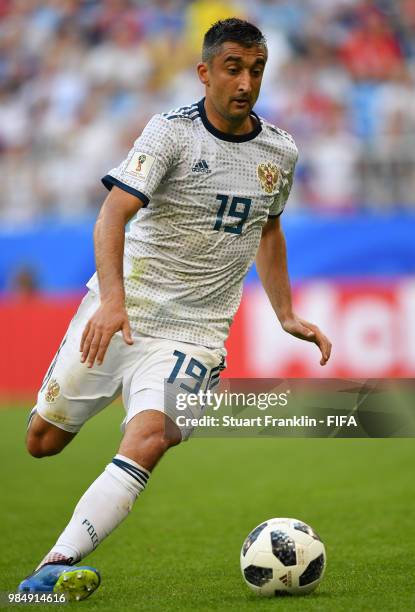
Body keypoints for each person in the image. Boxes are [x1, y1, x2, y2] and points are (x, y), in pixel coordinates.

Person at [18, 18, 332, 600]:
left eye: (256, 70)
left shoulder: (280, 151)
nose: (245, 82)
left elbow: (269, 230)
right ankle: (118, 384)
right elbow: (112, 215)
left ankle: (52, 567)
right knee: (42, 441)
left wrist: (285, 312)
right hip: (122, 312)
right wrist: (112, 302)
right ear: (205, 72)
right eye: (233, 68)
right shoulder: (170, 134)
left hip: (197, 333)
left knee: (151, 436)